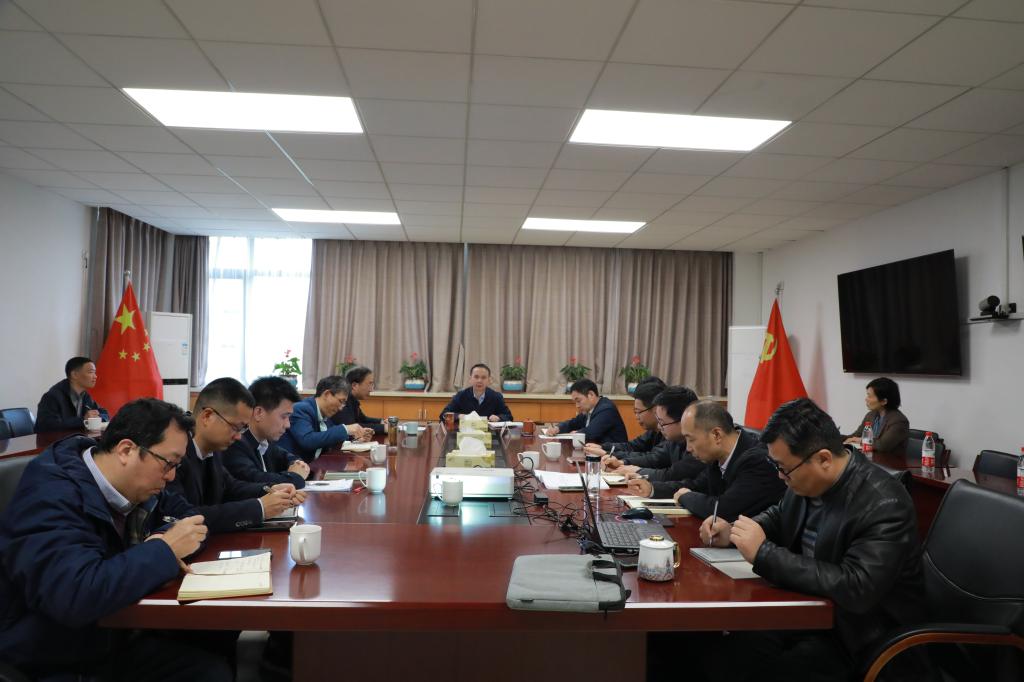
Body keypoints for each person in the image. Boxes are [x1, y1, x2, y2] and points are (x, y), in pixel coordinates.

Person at [0, 398, 232, 682]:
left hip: (110, 634)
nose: (171, 476)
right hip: (52, 655)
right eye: (168, 463)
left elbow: (192, 518)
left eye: (177, 466)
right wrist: (164, 550)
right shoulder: (50, 494)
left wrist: (163, 538)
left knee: (213, 657)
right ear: (126, 450)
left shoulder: (138, 485)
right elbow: (74, 596)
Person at [700, 398, 925, 681]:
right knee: (723, 647)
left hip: (858, 637)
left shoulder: (884, 503)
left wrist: (764, 553)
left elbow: (856, 587)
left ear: (824, 459)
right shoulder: (806, 479)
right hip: (811, 612)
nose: (780, 477)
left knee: (762, 668)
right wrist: (733, 532)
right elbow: (780, 516)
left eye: (784, 468)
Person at [167, 378, 303, 534]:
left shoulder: (214, 449)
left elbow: (231, 487)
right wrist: (260, 508)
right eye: (235, 427)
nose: (239, 436)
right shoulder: (175, 454)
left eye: (242, 429)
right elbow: (184, 516)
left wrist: (270, 489)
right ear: (207, 416)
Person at [627, 401, 784, 520]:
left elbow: (722, 510)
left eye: (691, 439)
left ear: (716, 435)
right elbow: (696, 486)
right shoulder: (718, 455)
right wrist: (652, 488)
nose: (688, 448)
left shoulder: (758, 460)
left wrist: (685, 497)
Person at [602, 384, 702, 486]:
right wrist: (623, 462)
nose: (659, 427)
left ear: (683, 420)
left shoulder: (698, 447)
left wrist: (638, 471)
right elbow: (655, 459)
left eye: (662, 422)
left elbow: (671, 475)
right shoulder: (674, 440)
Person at [223, 376, 310, 488]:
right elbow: (257, 479)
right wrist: (295, 477)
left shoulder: (265, 442)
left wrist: (298, 465)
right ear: (259, 413)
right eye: (284, 417)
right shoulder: (235, 443)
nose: (288, 425)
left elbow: (288, 457)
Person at [277, 375, 371, 462]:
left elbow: (328, 436)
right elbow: (308, 440)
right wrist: (346, 429)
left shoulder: (324, 413)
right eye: (341, 401)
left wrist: (356, 437)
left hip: (316, 466)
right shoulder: (301, 409)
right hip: (293, 468)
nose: (341, 408)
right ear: (327, 394)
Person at [584, 377, 666, 458]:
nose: (636, 417)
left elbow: (653, 458)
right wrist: (602, 447)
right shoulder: (653, 431)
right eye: (635, 412)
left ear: (656, 408)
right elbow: (632, 446)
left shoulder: (668, 432)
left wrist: (607, 454)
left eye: (639, 412)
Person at [34, 356, 109, 432]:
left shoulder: (85, 395)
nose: (95, 376)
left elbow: (105, 414)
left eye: (95, 373)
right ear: (74, 375)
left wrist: (96, 417)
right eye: (91, 372)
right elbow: (48, 425)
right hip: (53, 439)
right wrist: (83, 420)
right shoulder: (52, 396)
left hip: (76, 437)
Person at [544, 379, 627, 444]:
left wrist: (577, 433)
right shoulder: (589, 409)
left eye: (578, 401)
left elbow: (591, 433)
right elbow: (573, 423)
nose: (577, 406)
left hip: (615, 456)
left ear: (591, 395)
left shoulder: (606, 409)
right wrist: (557, 428)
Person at [843, 377, 909, 458]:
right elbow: (855, 436)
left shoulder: (899, 421)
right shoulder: (871, 415)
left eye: (870, 396)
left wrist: (861, 440)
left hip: (889, 463)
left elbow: (882, 446)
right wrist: (834, 436)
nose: (866, 399)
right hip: (869, 459)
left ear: (884, 401)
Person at [439, 363, 513, 423]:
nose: (479, 381)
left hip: (489, 434)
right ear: (470, 379)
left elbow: (509, 417)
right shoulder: (461, 395)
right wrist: (458, 416)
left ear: (489, 380)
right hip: (465, 433)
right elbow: (443, 415)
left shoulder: (496, 397)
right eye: (476, 377)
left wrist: (499, 418)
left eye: (483, 377)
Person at [332, 365, 385, 434]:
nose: (371, 390)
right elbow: (352, 426)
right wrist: (384, 428)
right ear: (354, 385)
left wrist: (382, 421)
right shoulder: (343, 401)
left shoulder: (353, 399)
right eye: (369, 384)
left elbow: (363, 419)